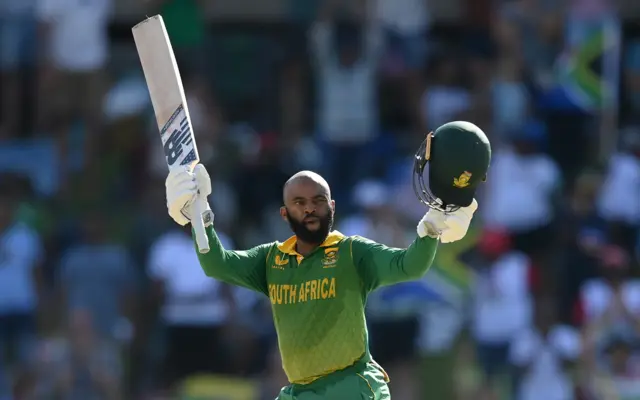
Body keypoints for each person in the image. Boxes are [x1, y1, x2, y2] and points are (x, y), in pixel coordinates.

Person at [164, 122, 491, 399]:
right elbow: (216, 264)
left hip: (352, 388)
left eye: (317, 201)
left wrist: (431, 227)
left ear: (332, 208)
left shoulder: (353, 252)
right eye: (299, 202)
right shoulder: (271, 261)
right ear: (284, 213)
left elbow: (411, 266)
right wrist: (199, 216)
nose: (309, 209)